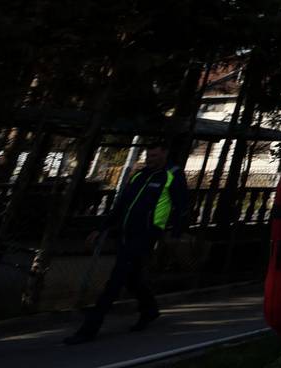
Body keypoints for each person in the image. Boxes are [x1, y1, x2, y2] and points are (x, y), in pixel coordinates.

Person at [62, 139, 190, 344]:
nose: (150, 159)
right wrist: (102, 228)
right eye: (148, 156)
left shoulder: (172, 176)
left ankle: (88, 330)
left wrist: (174, 234)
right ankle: (149, 310)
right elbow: (122, 204)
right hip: (126, 232)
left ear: (165, 154)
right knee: (132, 278)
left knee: (115, 279)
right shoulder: (140, 175)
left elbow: (182, 206)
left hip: (146, 234)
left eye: (155, 156)